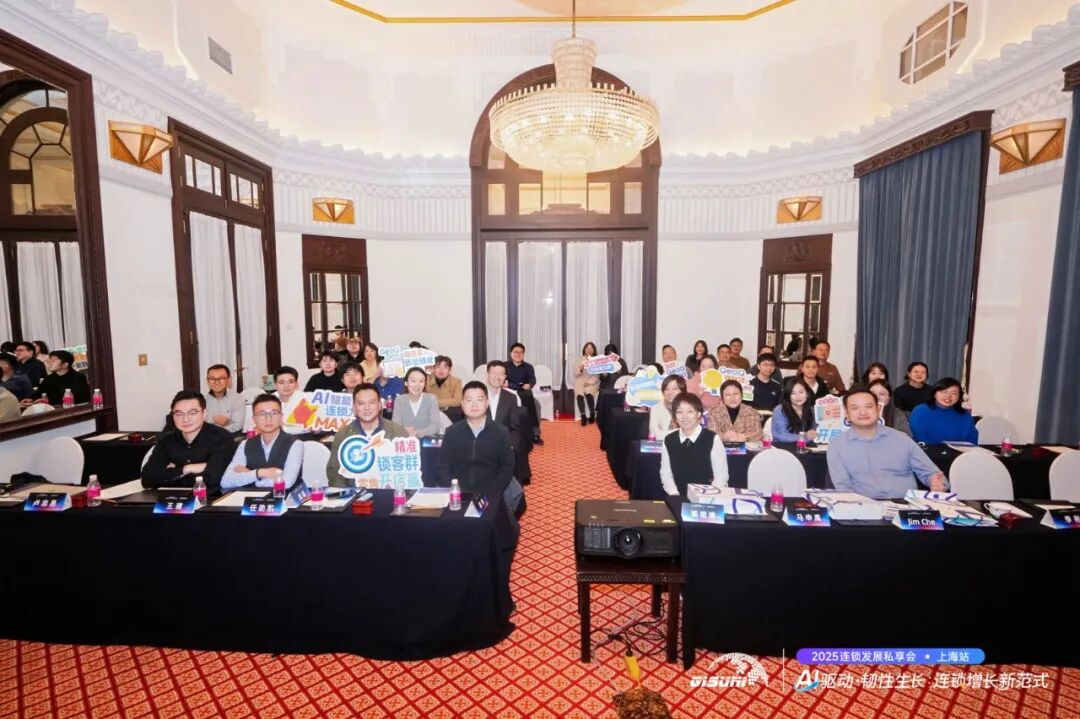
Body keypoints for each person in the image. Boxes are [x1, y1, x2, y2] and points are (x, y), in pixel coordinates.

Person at [827, 388, 948, 499]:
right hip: (864, 507)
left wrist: (937, 482)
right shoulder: (837, 445)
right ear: (846, 414)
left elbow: (933, 474)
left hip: (905, 506)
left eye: (868, 406)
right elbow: (843, 488)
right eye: (855, 408)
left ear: (878, 409)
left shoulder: (902, 439)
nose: (863, 412)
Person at [141, 390, 235, 494]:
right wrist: (187, 469)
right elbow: (147, 479)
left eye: (192, 413)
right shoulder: (166, 440)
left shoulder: (222, 438)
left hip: (213, 499)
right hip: (171, 498)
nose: (185, 419)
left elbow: (213, 479)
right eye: (179, 414)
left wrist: (170, 475)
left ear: (204, 413)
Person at [435, 381, 515, 502]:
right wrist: (454, 490)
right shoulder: (452, 432)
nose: (474, 404)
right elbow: (442, 466)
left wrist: (490, 494)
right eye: (469, 400)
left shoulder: (501, 433)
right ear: (462, 404)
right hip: (457, 495)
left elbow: (507, 468)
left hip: (490, 496)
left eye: (479, 399)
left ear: (487, 403)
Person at [327, 383, 409, 488]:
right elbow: (334, 472)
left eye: (372, 402)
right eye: (361, 403)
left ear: (380, 405)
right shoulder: (343, 435)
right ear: (354, 408)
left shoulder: (398, 433)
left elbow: (407, 470)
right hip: (353, 493)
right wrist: (346, 494)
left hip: (389, 492)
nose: (367, 408)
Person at [220, 394, 304, 491]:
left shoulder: (295, 444)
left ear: (281, 417)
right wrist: (259, 473)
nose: (268, 419)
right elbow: (225, 481)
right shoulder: (245, 445)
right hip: (253, 497)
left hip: (287, 498)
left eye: (274, 413)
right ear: (254, 420)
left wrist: (251, 477)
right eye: (262, 414)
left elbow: (286, 482)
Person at [660, 392, 729, 496]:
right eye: (679, 412)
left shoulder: (712, 439)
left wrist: (707, 497)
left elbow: (721, 476)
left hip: (707, 498)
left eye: (690, 411)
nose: (684, 417)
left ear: (699, 414)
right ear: (674, 415)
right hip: (677, 496)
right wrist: (674, 494)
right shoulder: (669, 440)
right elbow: (666, 474)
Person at [909, 377, 978, 445]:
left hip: (960, 452)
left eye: (954, 393)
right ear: (934, 394)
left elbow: (972, 440)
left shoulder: (965, 415)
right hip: (927, 450)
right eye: (944, 392)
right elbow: (919, 439)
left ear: (959, 397)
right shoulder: (920, 411)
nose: (948, 396)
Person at [507, 342, 542, 444]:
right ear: (511, 353)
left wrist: (529, 385)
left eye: (521, 352)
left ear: (523, 354)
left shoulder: (528, 367)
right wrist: (507, 384)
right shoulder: (505, 365)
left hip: (524, 392)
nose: (518, 354)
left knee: (536, 405)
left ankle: (535, 434)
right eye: (516, 352)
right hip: (509, 391)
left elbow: (532, 380)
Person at [392, 367, 442, 437]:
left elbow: (435, 427)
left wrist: (416, 433)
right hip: (406, 441)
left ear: (425, 384)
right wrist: (405, 432)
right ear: (406, 383)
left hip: (426, 440)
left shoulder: (431, 399)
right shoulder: (399, 400)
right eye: (413, 381)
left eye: (421, 381)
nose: (417, 385)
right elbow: (395, 426)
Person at [771, 379, 818, 443]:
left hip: (807, 446)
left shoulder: (813, 410)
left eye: (801, 392)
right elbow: (781, 435)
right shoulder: (779, 410)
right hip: (783, 447)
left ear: (807, 393)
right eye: (793, 393)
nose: (797, 396)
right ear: (788, 395)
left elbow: (816, 432)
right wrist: (805, 436)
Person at [203, 364, 245, 433]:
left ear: (229, 379)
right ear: (208, 380)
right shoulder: (202, 399)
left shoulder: (238, 398)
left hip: (230, 436)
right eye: (212, 379)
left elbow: (238, 426)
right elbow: (198, 424)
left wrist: (215, 431)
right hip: (207, 436)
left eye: (221, 378)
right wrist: (213, 420)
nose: (216, 382)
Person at [485, 360, 521, 429]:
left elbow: (515, 426)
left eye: (501, 374)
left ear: (505, 377)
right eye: (494, 373)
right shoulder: (476, 395)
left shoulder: (512, 398)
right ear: (487, 374)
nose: (497, 377)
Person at [427, 355, 463, 421]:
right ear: (433, 369)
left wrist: (434, 403)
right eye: (438, 367)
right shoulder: (426, 380)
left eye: (445, 367)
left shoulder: (456, 381)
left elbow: (457, 401)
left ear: (450, 370)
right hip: (429, 413)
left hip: (449, 414)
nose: (441, 370)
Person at [572, 342, 600, 426]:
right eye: (587, 348)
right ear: (584, 349)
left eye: (591, 348)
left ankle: (592, 414)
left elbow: (597, 375)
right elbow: (575, 373)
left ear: (594, 350)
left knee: (589, 393)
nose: (589, 350)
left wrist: (589, 382)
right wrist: (580, 369)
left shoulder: (596, 360)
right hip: (580, 381)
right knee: (579, 395)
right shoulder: (579, 359)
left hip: (592, 382)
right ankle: (583, 415)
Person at [273, 366, 305, 434]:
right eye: (281, 382)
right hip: (279, 437)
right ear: (275, 385)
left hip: (305, 436)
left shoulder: (307, 400)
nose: (286, 386)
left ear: (297, 384)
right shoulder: (268, 402)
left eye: (290, 382)